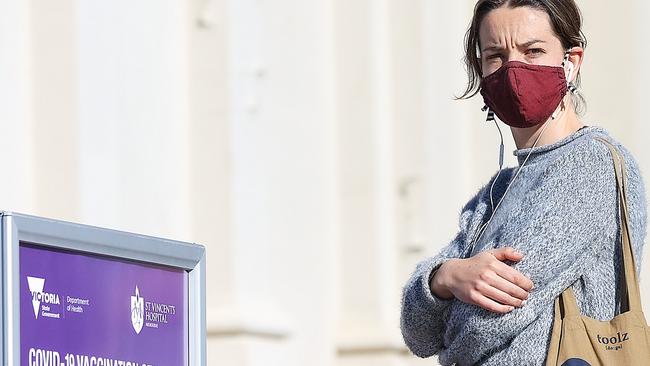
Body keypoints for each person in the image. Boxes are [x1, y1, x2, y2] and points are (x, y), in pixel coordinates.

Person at [399, 1, 647, 365]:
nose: (514, 69)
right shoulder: (495, 193)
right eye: (496, 56)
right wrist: (447, 276)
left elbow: (489, 320)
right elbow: (416, 331)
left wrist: (448, 327)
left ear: (571, 61)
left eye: (533, 51)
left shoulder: (589, 164)